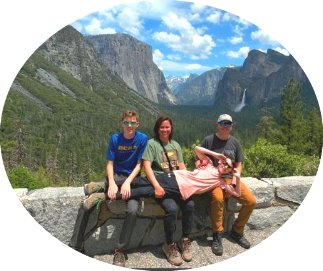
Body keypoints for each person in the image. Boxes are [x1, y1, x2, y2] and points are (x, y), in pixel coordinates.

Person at [69, 110, 148, 267]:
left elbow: (139, 164)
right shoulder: (115, 139)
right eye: (126, 122)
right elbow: (110, 163)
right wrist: (111, 182)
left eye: (133, 123)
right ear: (121, 123)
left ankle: (120, 251)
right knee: (91, 203)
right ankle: (75, 246)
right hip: (116, 176)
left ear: (137, 124)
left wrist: (127, 182)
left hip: (132, 180)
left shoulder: (143, 138)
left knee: (132, 210)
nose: (129, 126)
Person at [199, 113, 256, 256]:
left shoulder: (235, 143)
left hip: (231, 178)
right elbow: (199, 160)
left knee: (251, 201)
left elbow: (239, 164)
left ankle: (237, 231)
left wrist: (236, 180)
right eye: (222, 123)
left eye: (228, 124)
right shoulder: (208, 140)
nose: (225, 126)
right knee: (218, 199)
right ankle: (217, 235)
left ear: (231, 127)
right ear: (217, 125)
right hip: (214, 180)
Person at [142, 116, 194, 266]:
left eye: (167, 127)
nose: (165, 130)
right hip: (162, 184)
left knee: (190, 205)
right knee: (171, 208)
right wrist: (157, 186)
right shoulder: (152, 144)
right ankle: (169, 244)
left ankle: (185, 239)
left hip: (177, 184)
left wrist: (190, 180)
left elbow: (181, 166)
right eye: (162, 127)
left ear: (171, 128)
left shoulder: (175, 145)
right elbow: (147, 167)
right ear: (157, 129)